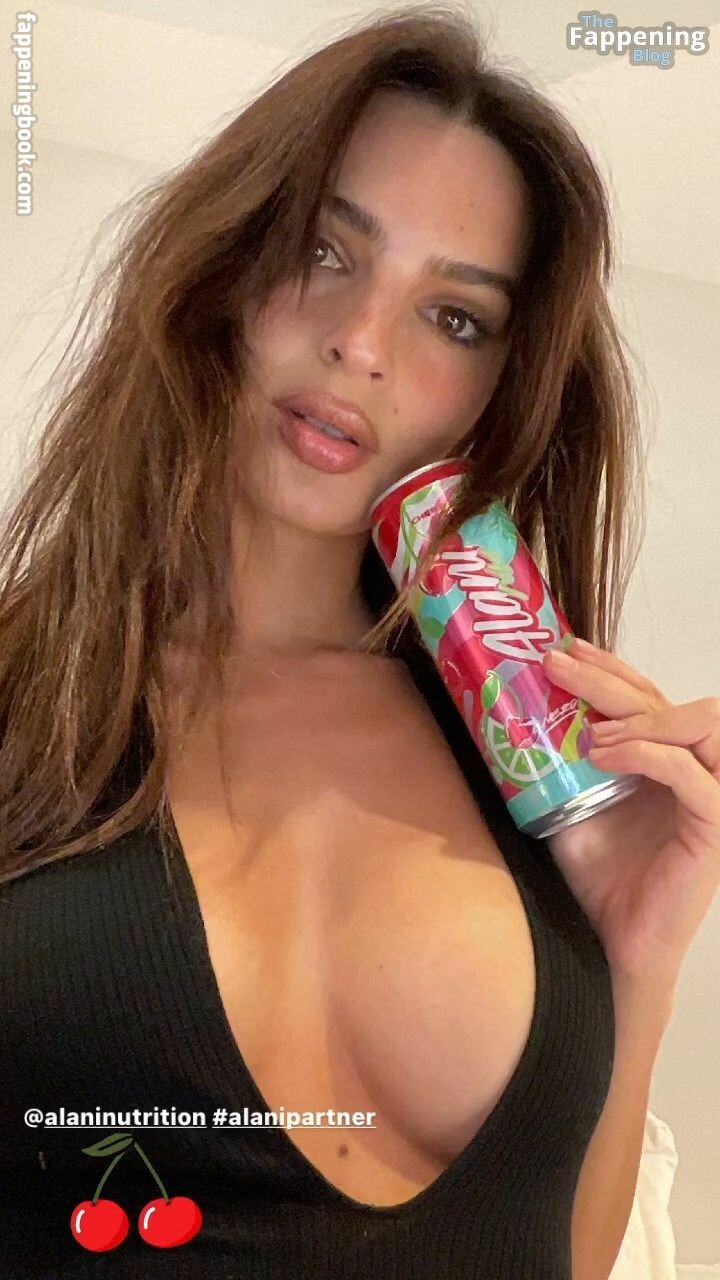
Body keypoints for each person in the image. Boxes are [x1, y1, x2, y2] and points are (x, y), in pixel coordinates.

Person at [0, 6, 650, 1278]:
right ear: (224, 266)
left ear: (502, 385)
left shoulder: (537, 764)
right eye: (323, 250)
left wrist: (641, 952)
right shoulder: (31, 685)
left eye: (455, 317)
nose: (362, 342)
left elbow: (550, 1244)